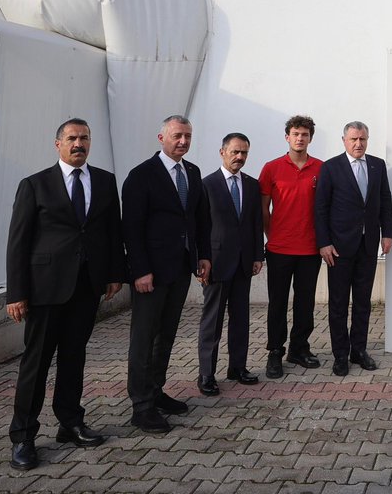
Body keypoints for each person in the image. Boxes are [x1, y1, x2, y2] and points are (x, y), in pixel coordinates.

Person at [4, 118, 124, 471]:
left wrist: (115, 274)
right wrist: (16, 293)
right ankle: (23, 436)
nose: (78, 144)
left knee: (74, 358)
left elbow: (111, 230)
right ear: (57, 144)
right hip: (45, 291)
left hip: (86, 287)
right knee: (36, 364)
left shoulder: (104, 181)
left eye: (84, 138)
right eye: (71, 138)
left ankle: (70, 423)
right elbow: (18, 243)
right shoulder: (35, 185)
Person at [122, 115, 212, 433]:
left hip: (180, 269)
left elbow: (200, 221)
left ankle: (156, 391)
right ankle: (141, 406)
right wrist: (141, 270)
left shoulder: (192, 172)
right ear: (161, 137)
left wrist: (203, 257)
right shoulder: (141, 175)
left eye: (188, 136)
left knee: (166, 336)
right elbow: (131, 228)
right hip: (152, 274)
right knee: (144, 338)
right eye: (177, 136)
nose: (183, 141)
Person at [314, 121, 392, 376]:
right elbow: (321, 207)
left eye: (362, 139)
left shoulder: (377, 165)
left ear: (367, 139)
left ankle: (359, 350)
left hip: (368, 245)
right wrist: (324, 242)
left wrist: (387, 233)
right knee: (338, 303)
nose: (358, 144)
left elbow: (385, 200)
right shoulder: (331, 167)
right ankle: (340, 355)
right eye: (353, 140)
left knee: (363, 302)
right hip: (338, 247)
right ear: (344, 141)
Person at [196, 132, 264, 396]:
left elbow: (256, 224)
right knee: (212, 321)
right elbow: (200, 226)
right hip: (216, 263)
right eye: (235, 152)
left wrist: (258, 255)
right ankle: (206, 373)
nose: (239, 157)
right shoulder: (207, 185)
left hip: (244, 263)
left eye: (244, 153)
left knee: (241, 319)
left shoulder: (252, 184)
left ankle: (237, 367)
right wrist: (201, 261)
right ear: (222, 152)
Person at [258, 115, 324, 378]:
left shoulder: (321, 168)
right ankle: (275, 351)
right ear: (287, 137)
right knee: (277, 302)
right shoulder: (271, 168)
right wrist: (271, 234)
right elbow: (263, 207)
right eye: (295, 133)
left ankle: (299, 348)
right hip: (279, 249)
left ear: (310, 138)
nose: (300, 138)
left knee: (305, 302)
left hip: (310, 249)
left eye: (305, 134)